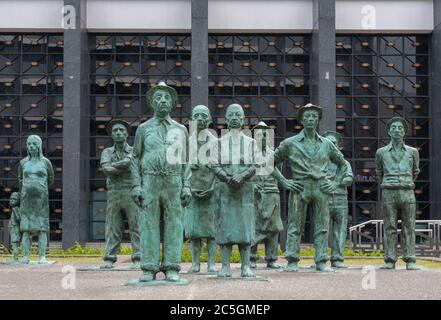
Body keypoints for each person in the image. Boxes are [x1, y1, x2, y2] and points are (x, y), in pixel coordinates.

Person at [272, 103, 352, 272]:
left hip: (321, 187)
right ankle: (292, 260)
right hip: (300, 186)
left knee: (322, 225)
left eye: (313, 116)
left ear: (318, 120)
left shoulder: (326, 144)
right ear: (301, 119)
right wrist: (284, 181)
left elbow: (343, 165)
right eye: (307, 116)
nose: (310, 119)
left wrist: (335, 183)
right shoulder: (290, 143)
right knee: (295, 225)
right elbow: (269, 163)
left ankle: (321, 260)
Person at [131, 81, 192, 282]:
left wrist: (187, 185)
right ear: (152, 103)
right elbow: (135, 158)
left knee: (174, 223)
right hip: (150, 179)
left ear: (173, 103)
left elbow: (187, 159)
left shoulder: (181, 129)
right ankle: (148, 267)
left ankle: (172, 266)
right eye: (158, 97)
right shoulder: (143, 128)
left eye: (167, 97)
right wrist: (136, 184)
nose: (163, 101)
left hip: (174, 180)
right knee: (148, 222)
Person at [213, 103, 257, 277]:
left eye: (238, 115)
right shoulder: (218, 142)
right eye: (230, 114)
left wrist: (242, 176)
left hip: (244, 190)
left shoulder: (251, 142)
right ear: (226, 118)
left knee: (245, 228)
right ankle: (225, 266)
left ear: (243, 119)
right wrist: (226, 176)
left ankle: (245, 266)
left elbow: (255, 165)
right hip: (225, 190)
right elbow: (214, 165)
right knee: (225, 228)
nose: (234, 118)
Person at [375, 116, 420, 270]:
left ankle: (410, 259)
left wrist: (405, 182)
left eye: (400, 128)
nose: (397, 130)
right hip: (388, 192)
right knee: (389, 226)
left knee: (409, 226)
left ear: (405, 132)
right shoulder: (381, 152)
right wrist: (390, 182)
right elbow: (379, 172)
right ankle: (390, 259)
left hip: (407, 192)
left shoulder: (413, 152)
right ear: (388, 131)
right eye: (393, 127)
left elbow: (415, 171)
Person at [100, 119, 140, 269]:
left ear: (127, 133)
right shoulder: (107, 152)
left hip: (131, 191)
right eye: (115, 130)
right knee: (112, 226)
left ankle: (138, 257)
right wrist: (124, 164)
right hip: (114, 193)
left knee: (136, 225)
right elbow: (106, 170)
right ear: (111, 134)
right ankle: (109, 257)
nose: (118, 133)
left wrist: (115, 166)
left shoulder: (134, 151)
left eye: (121, 130)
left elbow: (135, 167)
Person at [185, 105, 218, 273]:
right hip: (191, 191)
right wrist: (187, 187)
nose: (200, 118)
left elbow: (221, 168)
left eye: (203, 115)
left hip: (211, 191)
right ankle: (195, 263)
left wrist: (213, 187)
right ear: (192, 119)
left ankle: (211, 263)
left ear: (210, 119)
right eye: (196, 115)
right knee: (193, 231)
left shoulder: (216, 143)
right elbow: (180, 167)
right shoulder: (186, 142)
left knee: (211, 231)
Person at [250, 121, 284, 269]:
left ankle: (271, 258)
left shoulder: (274, 154)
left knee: (273, 227)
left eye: (265, 135)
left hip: (272, 193)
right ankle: (251, 258)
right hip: (255, 193)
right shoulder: (249, 154)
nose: (262, 138)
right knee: (254, 226)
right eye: (258, 135)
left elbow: (278, 172)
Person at [19, 135, 54, 264]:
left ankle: (42, 257)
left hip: (41, 200)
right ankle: (26, 257)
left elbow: (50, 179)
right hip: (26, 200)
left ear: (39, 145)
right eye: (29, 144)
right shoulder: (23, 162)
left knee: (42, 228)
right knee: (26, 229)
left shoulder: (45, 162)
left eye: (34, 144)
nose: (32, 146)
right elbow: (20, 178)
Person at [322, 131, 353, 268]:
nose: (332, 145)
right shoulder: (320, 161)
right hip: (324, 199)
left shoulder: (344, 162)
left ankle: (337, 258)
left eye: (334, 143)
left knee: (340, 230)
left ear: (338, 145)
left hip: (341, 199)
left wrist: (337, 182)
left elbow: (349, 178)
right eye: (329, 143)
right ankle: (321, 258)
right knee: (322, 229)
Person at [8, 192, 21, 263]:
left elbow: (19, 218)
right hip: (13, 227)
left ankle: (15, 258)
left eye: (14, 199)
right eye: (11, 199)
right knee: (14, 244)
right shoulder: (14, 208)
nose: (12, 200)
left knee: (14, 244)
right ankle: (15, 258)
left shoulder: (15, 209)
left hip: (15, 227)